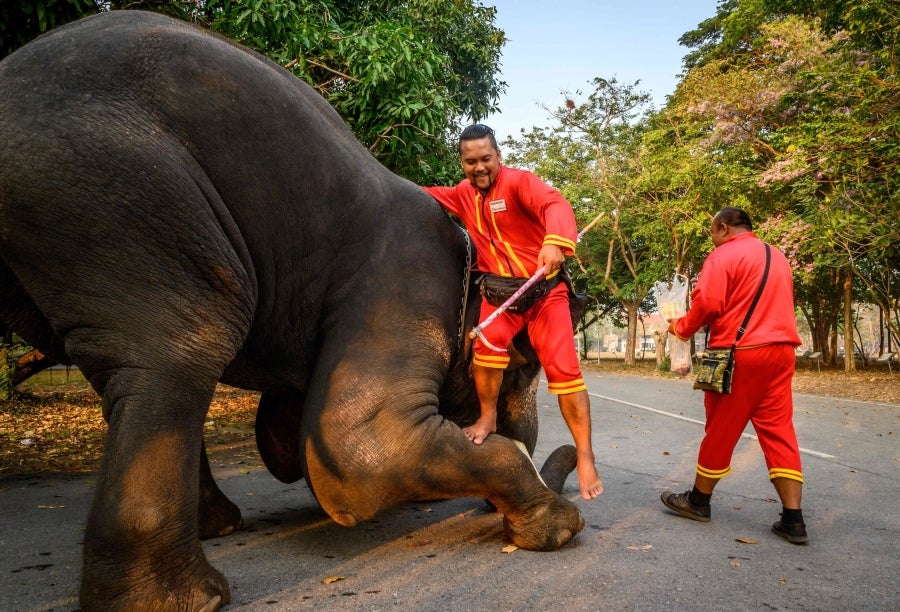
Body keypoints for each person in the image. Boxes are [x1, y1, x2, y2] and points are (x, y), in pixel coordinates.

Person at [423, 123, 603, 501]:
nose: (479, 167)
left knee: (565, 371)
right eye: (470, 161)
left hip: (542, 294)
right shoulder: (462, 195)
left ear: (498, 157)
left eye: (485, 158)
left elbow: (556, 204)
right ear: (463, 162)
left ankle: (585, 454)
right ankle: (487, 416)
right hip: (499, 295)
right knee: (486, 346)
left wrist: (555, 242)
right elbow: (424, 196)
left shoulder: (521, 183)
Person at [662, 207, 808, 543]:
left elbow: (709, 302)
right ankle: (793, 519)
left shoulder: (723, 255)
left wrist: (681, 328)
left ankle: (698, 502)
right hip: (782, 351)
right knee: (779, 430)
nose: (713, 239)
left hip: (741, 353)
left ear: (724, 228)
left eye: (713, 232)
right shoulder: (778, 256)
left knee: (721, 427)